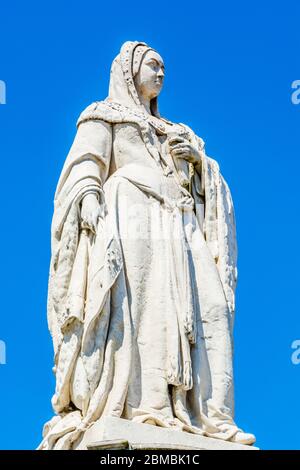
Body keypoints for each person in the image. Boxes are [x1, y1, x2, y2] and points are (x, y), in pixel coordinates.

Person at [39, 41, 255, 449]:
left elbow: (209, 186)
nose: (160, 74)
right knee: (141, 311)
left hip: (182, 225)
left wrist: (199, 163)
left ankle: (210, 416)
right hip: (131, 217)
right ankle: (145, 407)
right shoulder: (103, 116)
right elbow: (85, 164)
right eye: (153, 65)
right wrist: (87, 196)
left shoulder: (177, 131)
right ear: (129, 69)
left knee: (211, 310)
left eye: (164, 68)